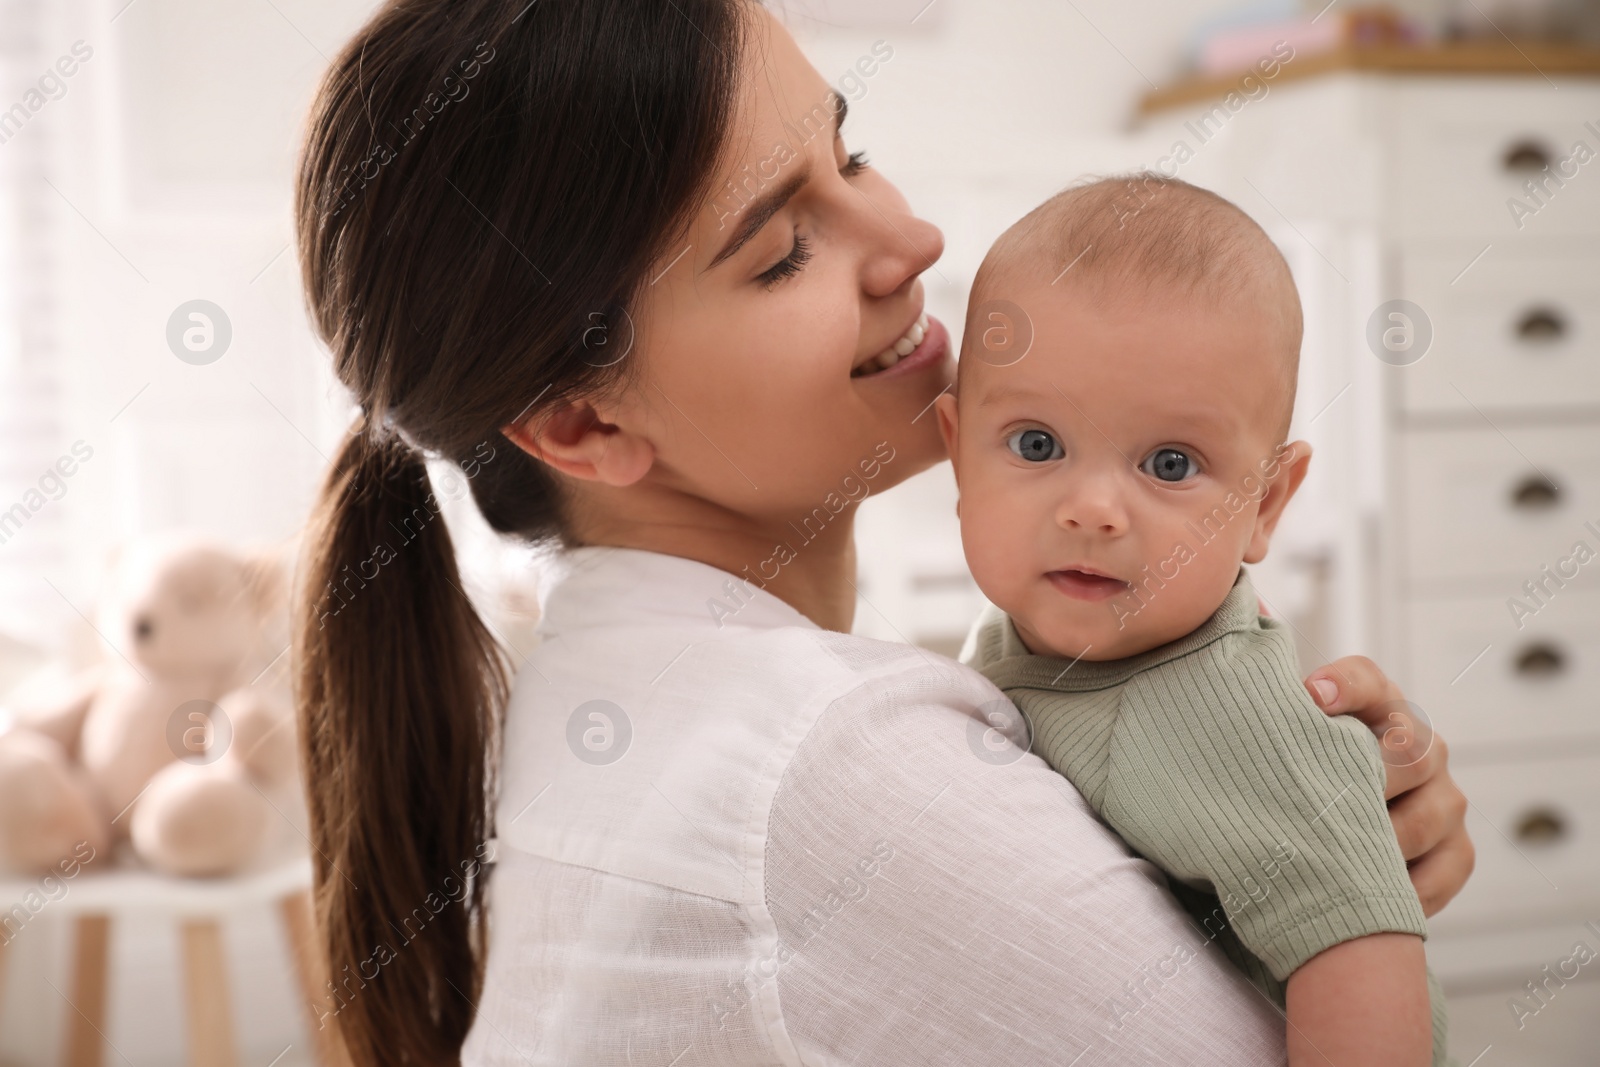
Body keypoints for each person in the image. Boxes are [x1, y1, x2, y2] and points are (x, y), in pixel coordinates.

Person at [290, 2, 1474, 1064]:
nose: (912, 241)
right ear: (582, 423)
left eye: (849, 154)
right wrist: (1336, 913)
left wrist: (1294, 841)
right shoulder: (829, 767)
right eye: (781, 252)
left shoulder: (619, 688)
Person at [942, 176, 1447, 1066]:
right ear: (957, 456)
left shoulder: (1223, 711)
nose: (1092, 509)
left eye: (1170, 463)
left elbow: (1361, 944)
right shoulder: (1025, 631)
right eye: (1036, 444)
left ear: (1265, 504)